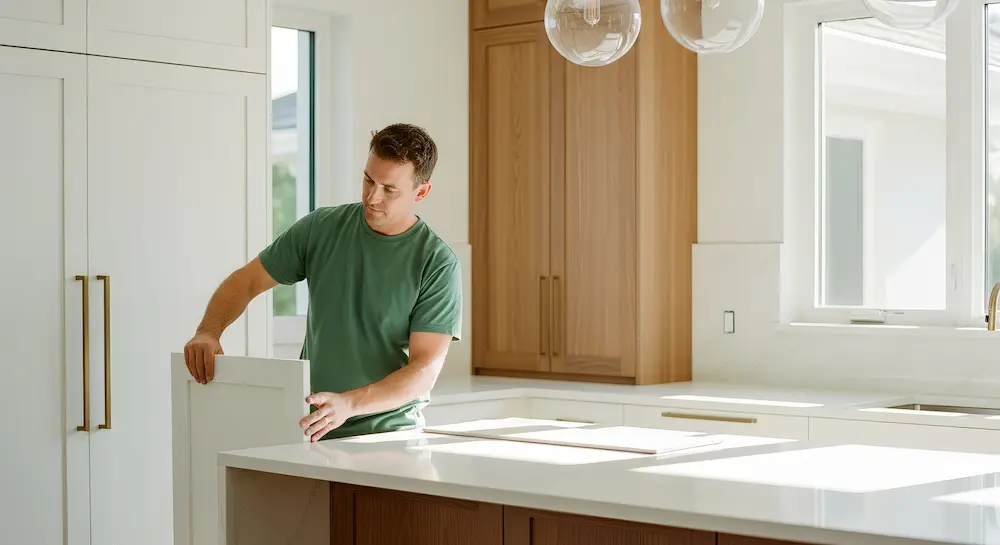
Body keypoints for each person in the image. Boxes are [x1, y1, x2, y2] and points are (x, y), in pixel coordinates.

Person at [182, 123, 462, 441]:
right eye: (369, 180)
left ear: (421, 192)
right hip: (313, 427)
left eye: (389, 189)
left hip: (387, 434)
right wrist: (208, 331)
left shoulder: (437, 263)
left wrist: (349, 404)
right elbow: (245, 282)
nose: (372, 196)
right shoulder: (322, 229)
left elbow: (423, 371)